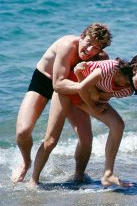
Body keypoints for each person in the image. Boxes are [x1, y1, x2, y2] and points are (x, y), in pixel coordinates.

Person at [29, 54, 137, 187]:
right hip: (69, 89)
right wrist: (92, 106)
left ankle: (104, 175)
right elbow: (81, 87)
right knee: (50, 140)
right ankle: (33, 180)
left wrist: (93, 102)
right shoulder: (111, 68)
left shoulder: (128, 90)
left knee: (117, 125)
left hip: (86, 96)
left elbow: (98, 97)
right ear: (135, 69)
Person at [12, 23, 112, 183]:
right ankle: (26, 162)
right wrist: (82, 87)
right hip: (45, 80)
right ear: (81, 36)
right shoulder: (67, 45)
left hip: (72, 88)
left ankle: (78, 175)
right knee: (23, 132)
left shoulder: (101, 58)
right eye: (88, 43)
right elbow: (57, 84)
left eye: (96, 48)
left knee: (86, 139)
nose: (89, 50)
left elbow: (101, 86)